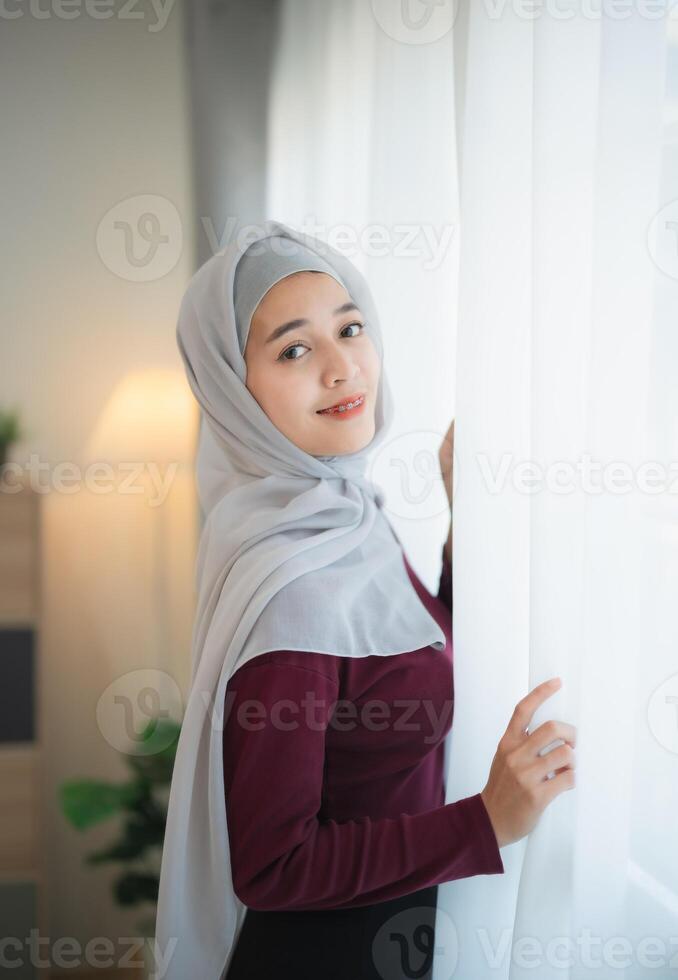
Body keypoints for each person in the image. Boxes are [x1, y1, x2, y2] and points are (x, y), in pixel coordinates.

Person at [153, 220, 577, 980]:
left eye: (350, 328)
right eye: (293, 348)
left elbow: (406, 654)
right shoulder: (295, 590)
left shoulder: (338, 514)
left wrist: (462, 523)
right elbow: (275, 865)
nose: (343, 366)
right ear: (230, 387)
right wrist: (484, 822)